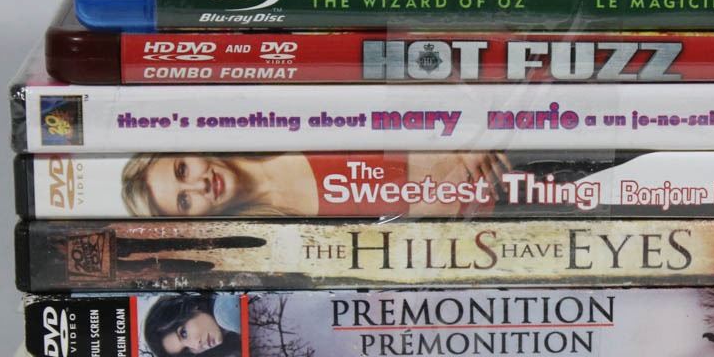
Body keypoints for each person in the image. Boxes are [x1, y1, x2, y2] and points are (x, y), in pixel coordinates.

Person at [120, 152, 511, 217]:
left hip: (508, 154)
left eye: (182, 170)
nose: (199, 186)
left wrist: (461, 129)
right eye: (184, 202)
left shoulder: (286, 122)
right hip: (498, 222)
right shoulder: (277, 238)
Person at [142, 294, 243, 357]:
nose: (195, 345)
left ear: (190, 307)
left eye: (184, 333)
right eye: (186, 349)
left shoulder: (224, 314)